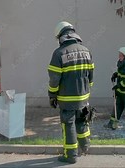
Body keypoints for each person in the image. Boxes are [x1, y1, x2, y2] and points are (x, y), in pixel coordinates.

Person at [48, 21, 94, 164]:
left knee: (68, 125)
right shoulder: (86, 50)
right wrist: (86, 90)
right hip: (84, 96)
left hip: (67, 98)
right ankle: (85, 146)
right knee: (82, 120)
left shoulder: (59, 53)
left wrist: (52, 96)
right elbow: (90, 76)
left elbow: (54, 80)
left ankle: (71, 155)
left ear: (61, 36)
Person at [105, 47, 125, 131]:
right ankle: (112, 124)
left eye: (121, 55)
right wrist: (116, 74)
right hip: (121, 92)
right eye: (119, 55)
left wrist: (118, 85)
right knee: (117, 108)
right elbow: (121, 74)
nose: (119, 57)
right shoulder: (122, 64)